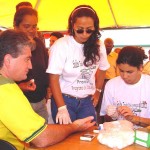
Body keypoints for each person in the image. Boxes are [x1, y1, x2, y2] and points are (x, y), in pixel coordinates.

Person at [0, 29, 95, 150]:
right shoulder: (5, 90)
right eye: (27, 59)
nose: (30, 66)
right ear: (8, 60)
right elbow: (42, 138)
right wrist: (74, 126)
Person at [46, 5, 110, 124]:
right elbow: (53, 79)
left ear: (95, 28)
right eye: (80, 29)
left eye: (89, 30)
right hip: (64, 99)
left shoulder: (99, 45)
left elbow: (103, 68)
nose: (85, 34)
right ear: (72, 25)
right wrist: (61, 107)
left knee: (89, 136)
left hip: (87, 100)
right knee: (67, 139)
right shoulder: (61, 45)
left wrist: (98, 92)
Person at [100, 46, 150, 128]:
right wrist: (113, 115)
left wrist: (134, 118)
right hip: (119, 134)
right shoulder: (111, 85)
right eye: (121, 71)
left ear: (141, 68)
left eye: (129, 72)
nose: (125, 76)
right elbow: (106, 119)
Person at [14, 8, 49, 122]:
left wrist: (48, 88)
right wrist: (20, 87)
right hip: (21, 102)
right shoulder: (8, 47)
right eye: (26, 26)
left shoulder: (38, 43)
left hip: (41, 101)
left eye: (34, 26)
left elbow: (46, 67)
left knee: (44, 135)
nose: (31, 30)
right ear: (16, 26)